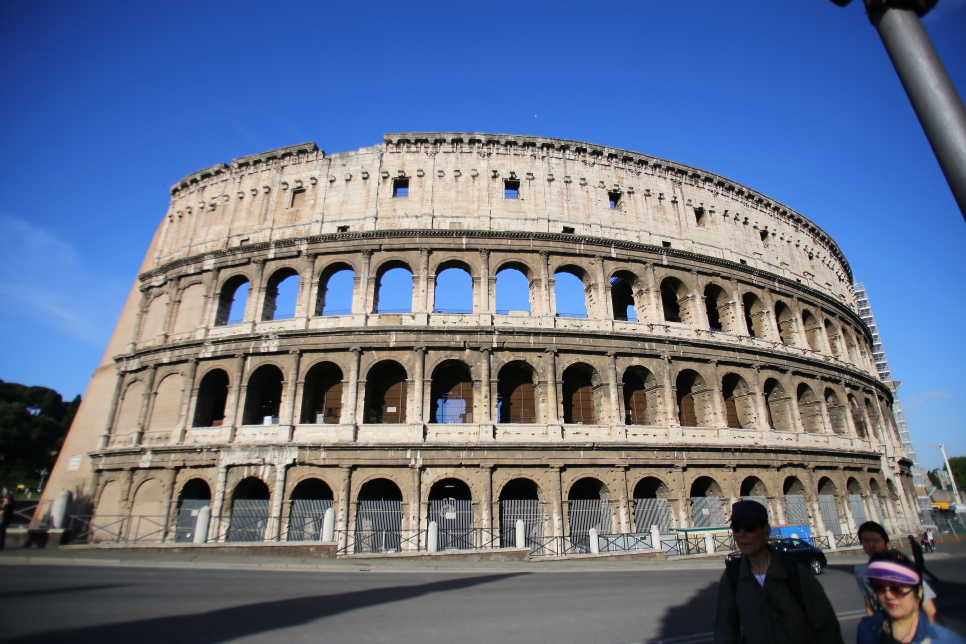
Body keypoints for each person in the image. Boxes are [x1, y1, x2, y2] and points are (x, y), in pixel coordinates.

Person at [714, 500, 843, 644]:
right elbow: (725, 630)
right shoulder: (733, 576)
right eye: (736, 528)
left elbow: (826, 627)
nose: (741, 534)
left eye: (749, 527)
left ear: (766, 531)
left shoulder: (794, 572)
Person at [857, 552, 965, 644]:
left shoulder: (945, 640)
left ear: (919, 592)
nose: (888, 596)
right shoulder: (866, 628)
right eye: (878, 587)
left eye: (897, 588)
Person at [856, 522, 940, 622]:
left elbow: (930, 611)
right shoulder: (860, 571)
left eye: (876, 541)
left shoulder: (903, 568)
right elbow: (869, 604)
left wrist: (939, 635)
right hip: (884, 628)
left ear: (887, 544)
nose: (871, 546)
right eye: (865, 541)